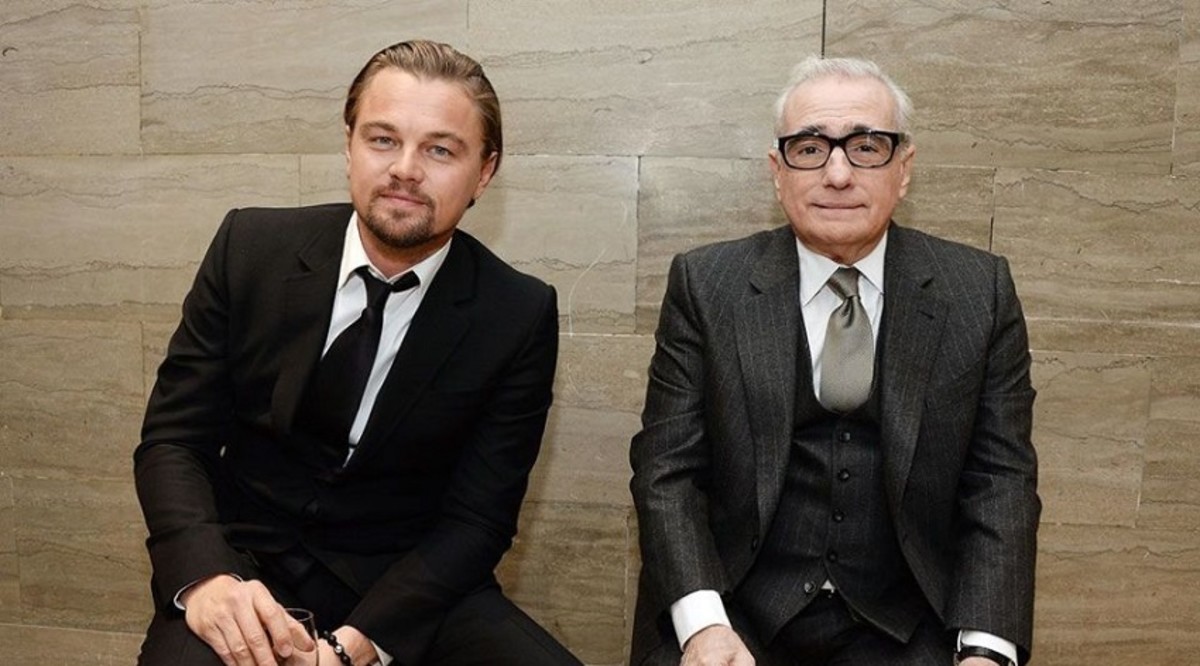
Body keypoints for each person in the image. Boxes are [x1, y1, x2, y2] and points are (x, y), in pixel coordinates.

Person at [134, 40, 581, 666]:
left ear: (484, 172)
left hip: (408, 583)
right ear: (349, 146)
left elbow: (478, 520)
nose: (405, 168)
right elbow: (174, 441)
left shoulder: (517, 312)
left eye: (440, 150)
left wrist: (351, 648)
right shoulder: (250, 247)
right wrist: (207, 578)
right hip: (245, 567)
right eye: (382, 139)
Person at [629, 56, 1040, 666]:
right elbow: (667, 471)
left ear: (904, 169)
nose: (838, 174)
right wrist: (703, 624)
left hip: (910, 624)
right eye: (810, 148)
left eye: (867, 147)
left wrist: (986, 649)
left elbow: (1000, 483)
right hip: (734, 609)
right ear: (777, 172)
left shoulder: (979, 293)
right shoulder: (706, 284)